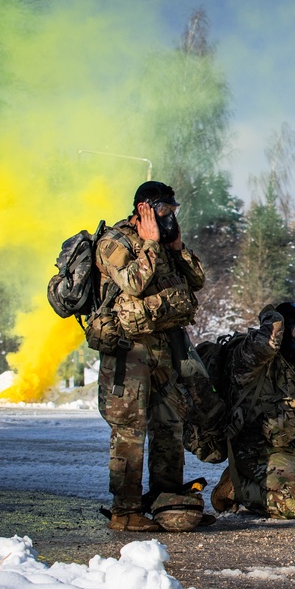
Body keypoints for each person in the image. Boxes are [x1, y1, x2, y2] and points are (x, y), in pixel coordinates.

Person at [94, 180, 205, 531]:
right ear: (144, 208)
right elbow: (133, 283)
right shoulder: (115, 242)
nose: (169, 217)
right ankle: (124, 511)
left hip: (163, 348)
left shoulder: (164, 243)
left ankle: (166, 501)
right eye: (163, 211)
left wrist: (176, 247)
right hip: (129, 351)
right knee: (129, 428)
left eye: (173, 212)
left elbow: (196, 281)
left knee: (170, 425)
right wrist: (153, 244)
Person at [210, 302, 295, 519]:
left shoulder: (291, 367)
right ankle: (233, 489)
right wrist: (271, 318)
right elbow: (263, 345)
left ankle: (252, 482)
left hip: (290, 451)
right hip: (256, 452)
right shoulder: (250, 358)